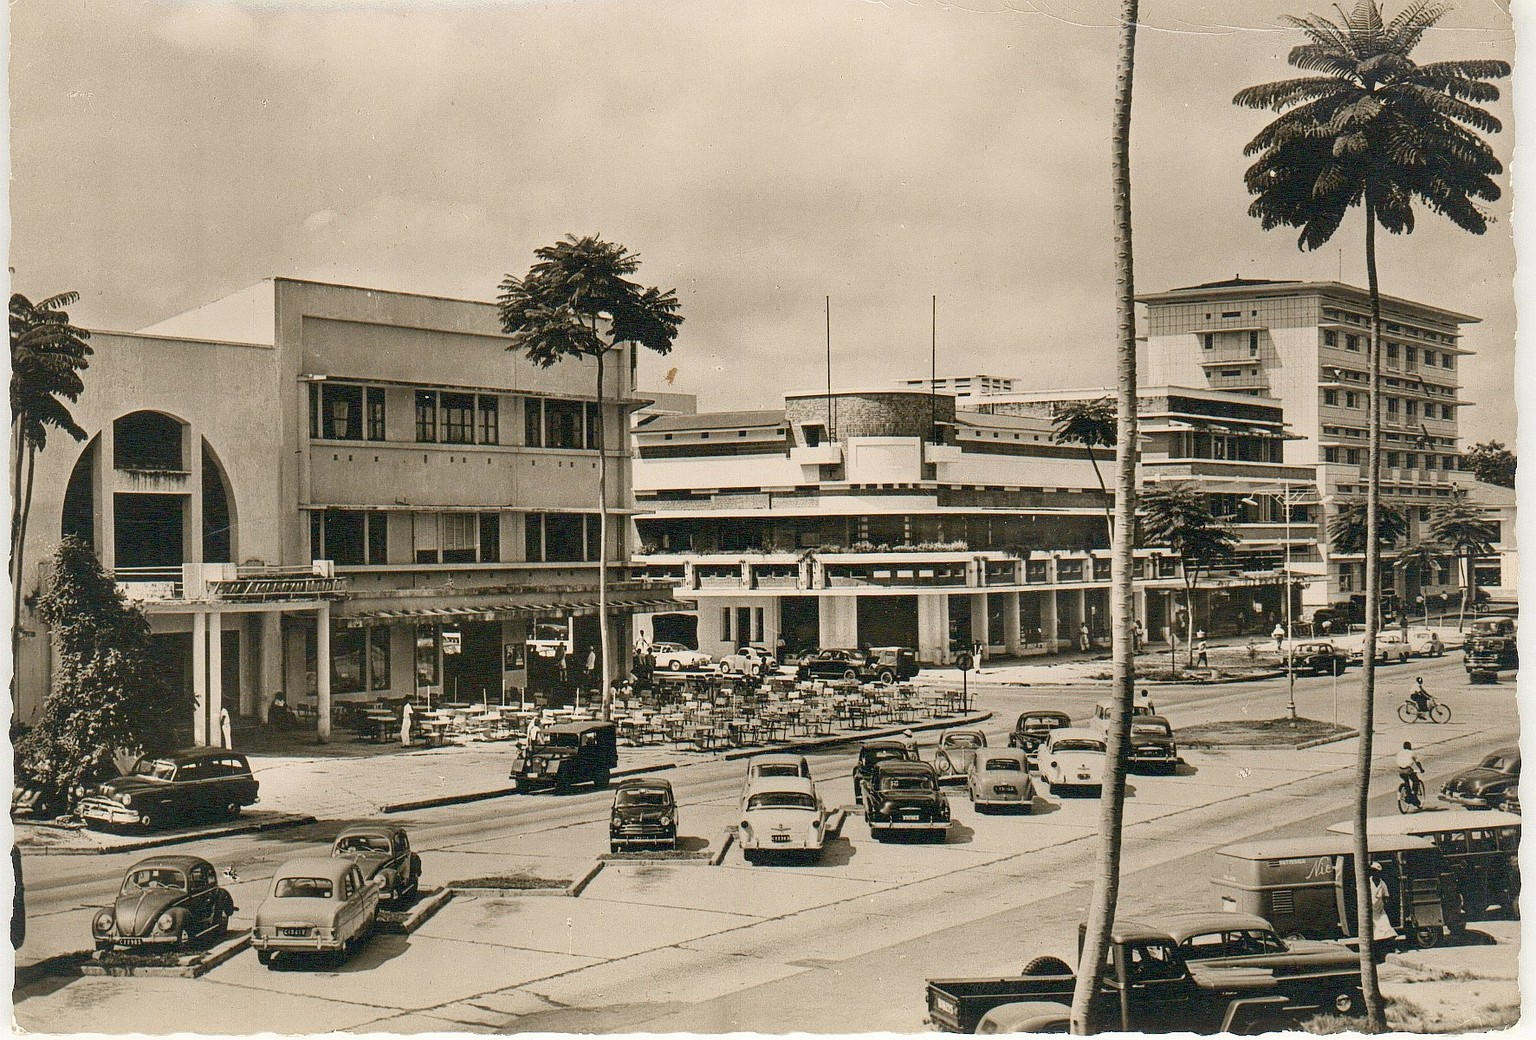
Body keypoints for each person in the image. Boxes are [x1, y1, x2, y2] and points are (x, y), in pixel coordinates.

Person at [1369, 863, 1399, 942]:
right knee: (1374, 931)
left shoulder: (1382, 884)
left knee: (1387, 927)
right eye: (1374, 871)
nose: (1375, 873)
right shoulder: (1367, 882)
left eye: (1377, 871)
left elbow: (1386, 896)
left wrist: (1385, 903)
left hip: (1380, 910)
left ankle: (1393, 946)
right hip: (1370, 911)